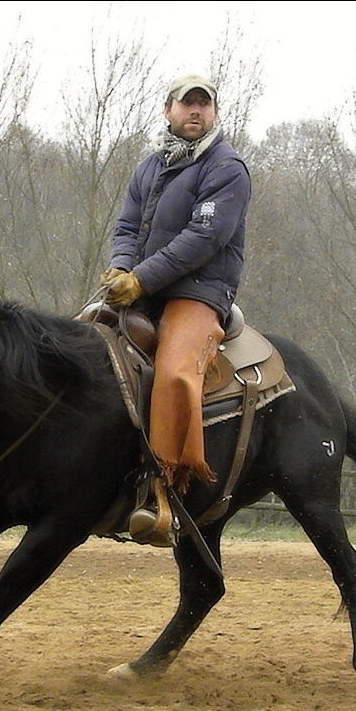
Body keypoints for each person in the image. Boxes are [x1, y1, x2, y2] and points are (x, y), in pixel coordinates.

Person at [100, 72, 251, 547]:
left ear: (214, 113)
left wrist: (141, 279)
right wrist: (121, 270)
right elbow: (126, 226)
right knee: (78, 338)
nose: (195, 112)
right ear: (168, 110)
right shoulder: (149, 166)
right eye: (187, 104)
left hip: (199, 290)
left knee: (175, 372)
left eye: (203, 105)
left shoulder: (226, 167)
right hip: (141, 285)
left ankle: (161, 495)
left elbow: (204, 239)